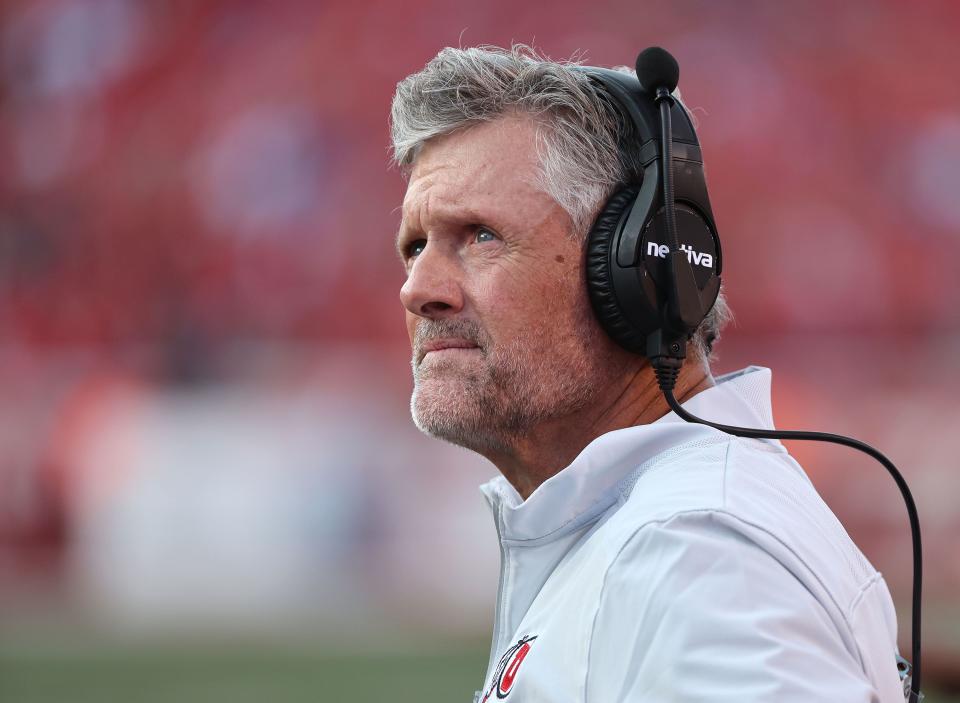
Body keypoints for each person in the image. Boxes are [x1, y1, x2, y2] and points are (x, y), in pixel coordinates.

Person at [390, 45, 905, 702]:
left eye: (479, 235)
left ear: (641, 271)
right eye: (414, 246)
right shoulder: (653, 533)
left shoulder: (697, 553)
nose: (418, 288)